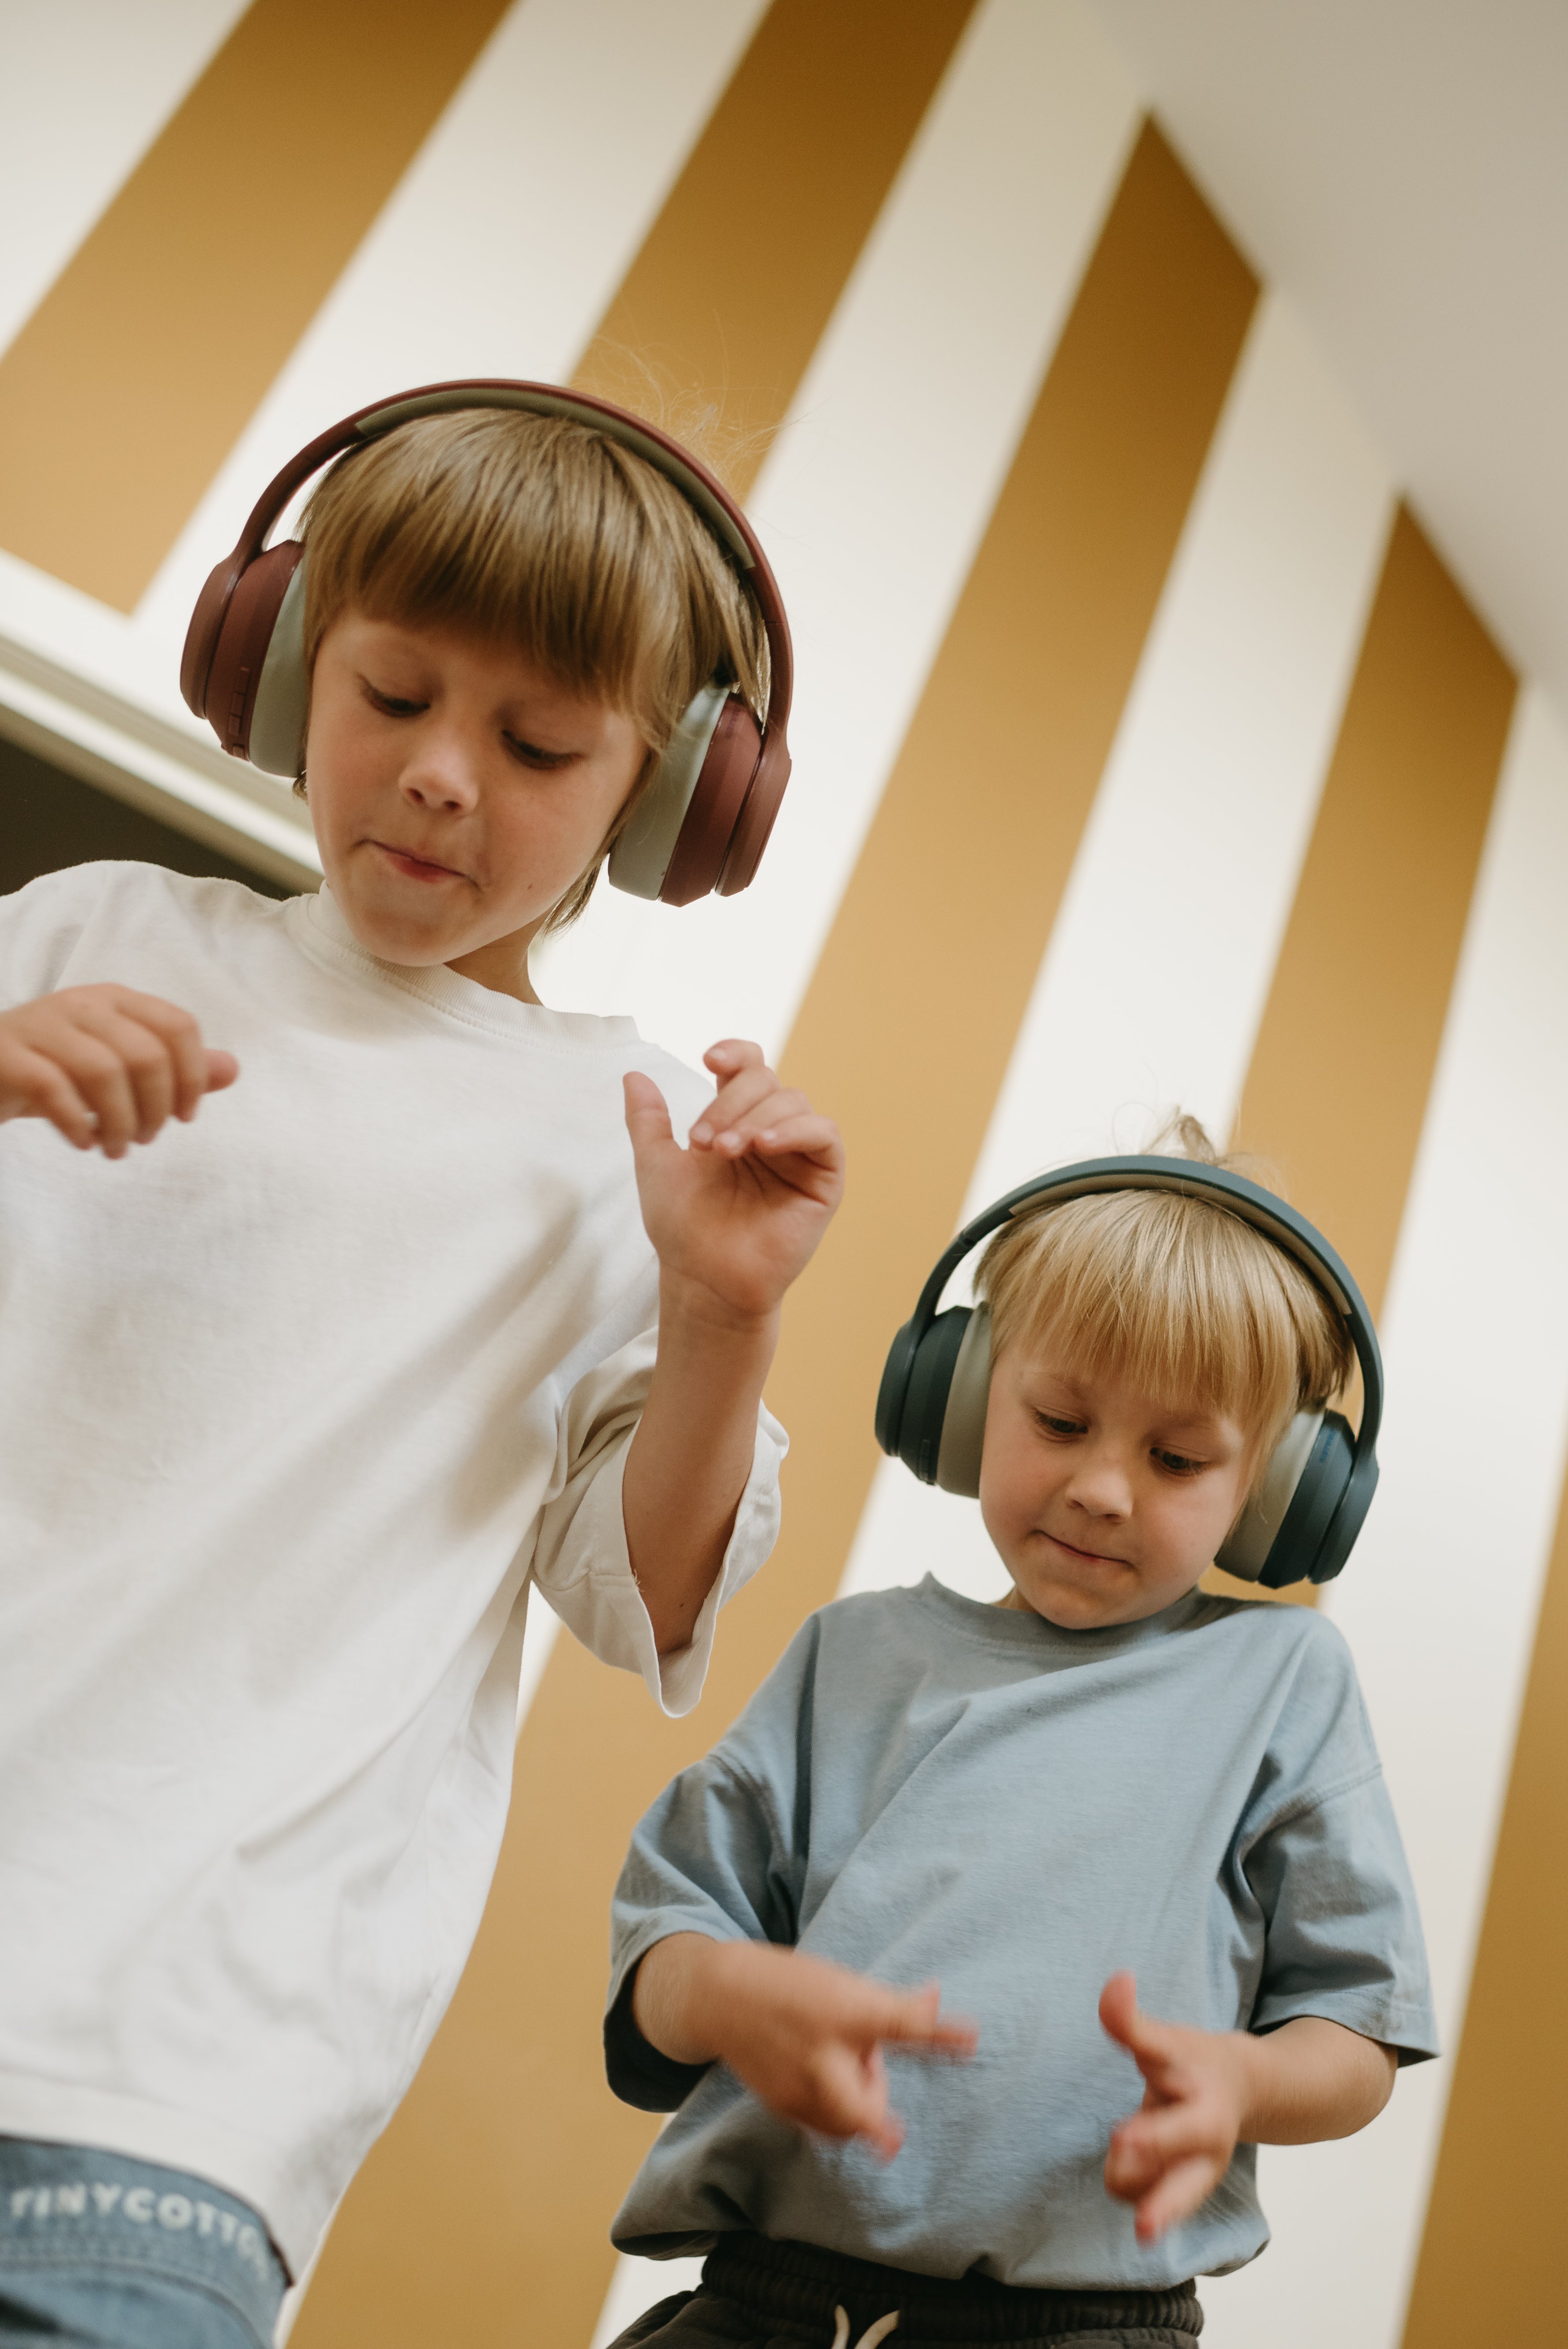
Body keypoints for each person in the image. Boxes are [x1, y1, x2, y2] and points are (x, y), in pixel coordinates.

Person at [0, 391, 843, 2349]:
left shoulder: (622, 1143)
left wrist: (722, 1310)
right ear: (286, 654)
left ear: (665, 799)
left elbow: (645, 1593)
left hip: (186, 2086)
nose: (443, 776)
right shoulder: (83, 931)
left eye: (538, 748)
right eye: (388, 694)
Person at [601, 1125, 1437, 2349]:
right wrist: (723, 1993)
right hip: (766, 2302)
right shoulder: (853, 1657)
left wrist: (1244, 2080)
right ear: (963, 1398)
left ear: (1270, 1491)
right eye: (1057, 1420)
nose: (1102, 1488)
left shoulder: (1281, 1682)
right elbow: (663, 1951)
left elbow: (1355, 2031)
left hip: (1087, 2325)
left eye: (1175, 1457)